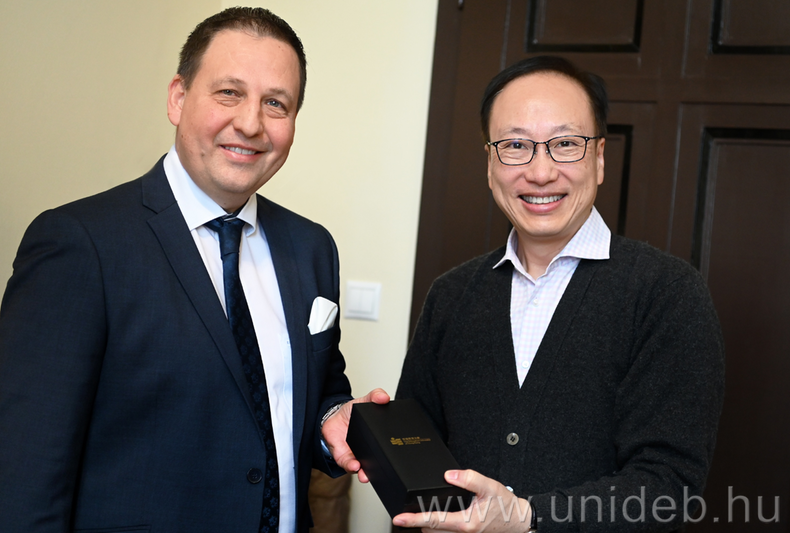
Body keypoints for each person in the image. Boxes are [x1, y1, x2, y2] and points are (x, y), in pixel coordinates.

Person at [0, 7, 386, 533]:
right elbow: (24, 475)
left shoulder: (311, 247)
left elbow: (308, 396)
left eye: (276, 103)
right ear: (178, 98)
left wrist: (330, 422)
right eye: (229, 92)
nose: (250, 123)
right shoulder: (80, 243)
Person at [393, 56, 724, 532]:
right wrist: (371, 432)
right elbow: (416, 460)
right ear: (490, 163)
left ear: (600, 158)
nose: (541, 172)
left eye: (565, 144)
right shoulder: (451, 295)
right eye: (515, 146)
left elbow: (669, 487)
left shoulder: (666, 294)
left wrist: (530, 518)